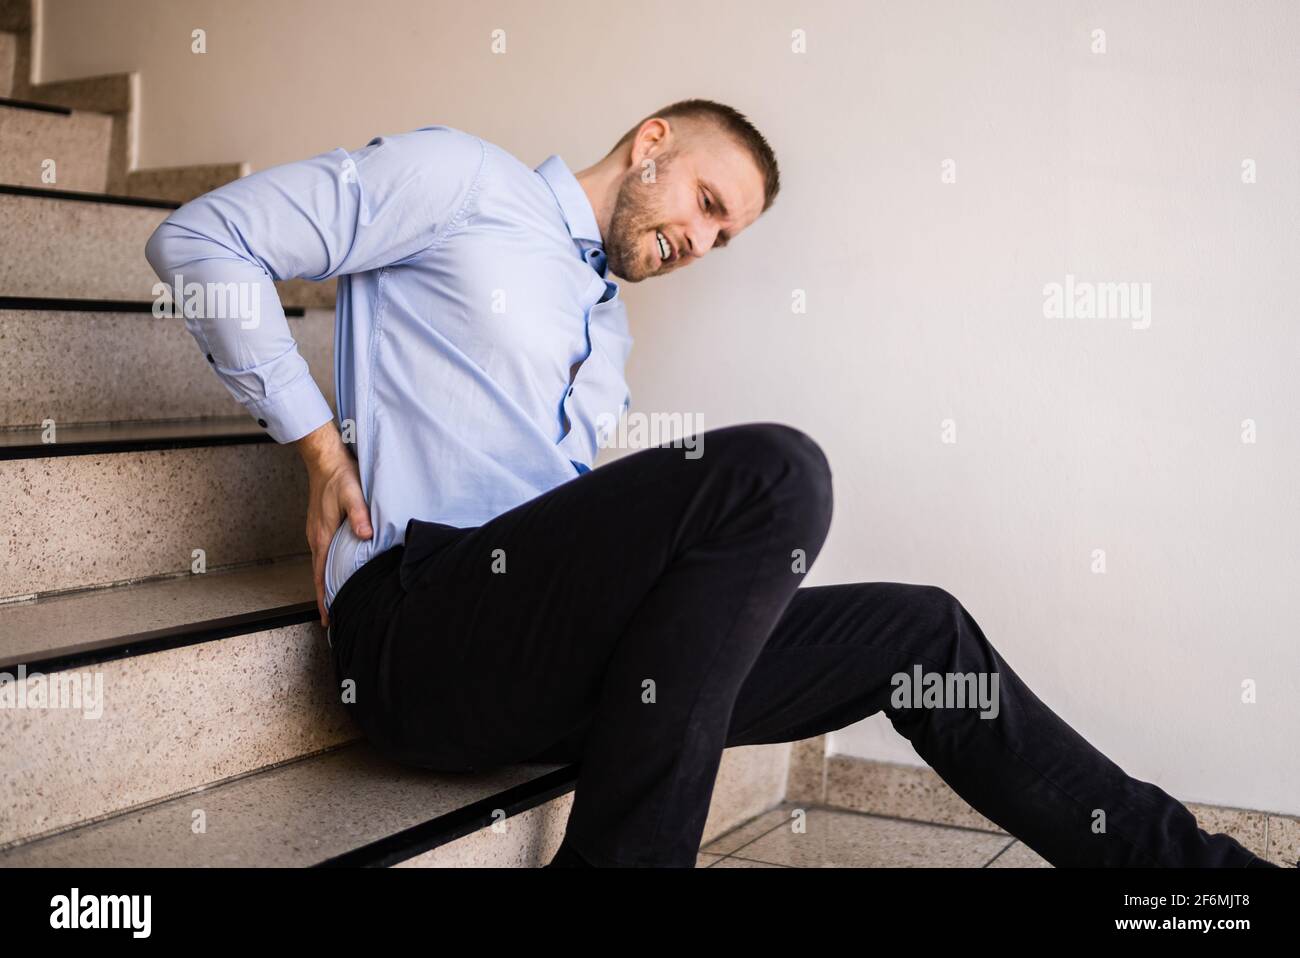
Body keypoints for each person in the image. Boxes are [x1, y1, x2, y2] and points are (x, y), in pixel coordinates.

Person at [145, 99, 1275, 869]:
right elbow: (201, 241)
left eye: (723, 237)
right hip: (422, 633)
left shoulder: (606, 334)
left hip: (539, 656)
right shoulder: (461, 181)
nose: (700, 237)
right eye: (705, 202)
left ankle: (1198, 883)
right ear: (650, 142)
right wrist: (317, 445)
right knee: (777, 472)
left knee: (920, 632)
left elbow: (577, 555)